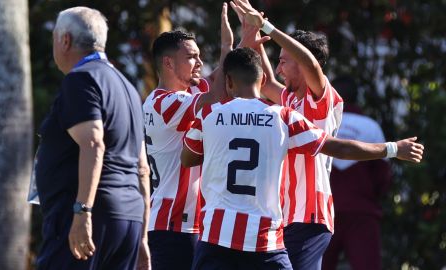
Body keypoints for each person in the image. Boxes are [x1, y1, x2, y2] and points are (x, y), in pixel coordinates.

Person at [180, 47, 423, 270]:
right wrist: (392, 148)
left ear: (229, 81)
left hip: (217, 234)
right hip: (265, 239)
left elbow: (188, 158)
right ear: (263, 79)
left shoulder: (209, 114)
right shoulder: (283, 117)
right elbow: (339, 148)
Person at [229, 0, 423, 269]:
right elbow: (265, 83)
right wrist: (249, 31)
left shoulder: (320, 99)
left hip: (309, 217)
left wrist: (267, 26)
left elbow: (309, 63)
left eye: (284, 61)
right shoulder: (289, 100)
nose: (279, 68)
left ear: (301, 62)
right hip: (287, 217)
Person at [35, 7, 150, 270]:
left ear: (65, 40)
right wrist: (142, 236)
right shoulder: (128, 87)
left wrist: (81, 211)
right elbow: (142, 168)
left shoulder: (81, 79)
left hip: (89, 216)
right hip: (127, 217)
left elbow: (93, 143)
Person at [142, 3, 245, 270]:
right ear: (168, 62)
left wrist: (235, 43)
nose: (199, 63)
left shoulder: (180, 97)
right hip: (173, 224)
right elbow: (220, 92)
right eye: (191, 57)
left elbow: (219, 79)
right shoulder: (166, 103)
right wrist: (227, 47)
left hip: (184, 223)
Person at [322, 76, 392, 270]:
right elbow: (382, 176)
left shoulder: (322, 125)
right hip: (361, 211)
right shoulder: (371, 127)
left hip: (325, 211)